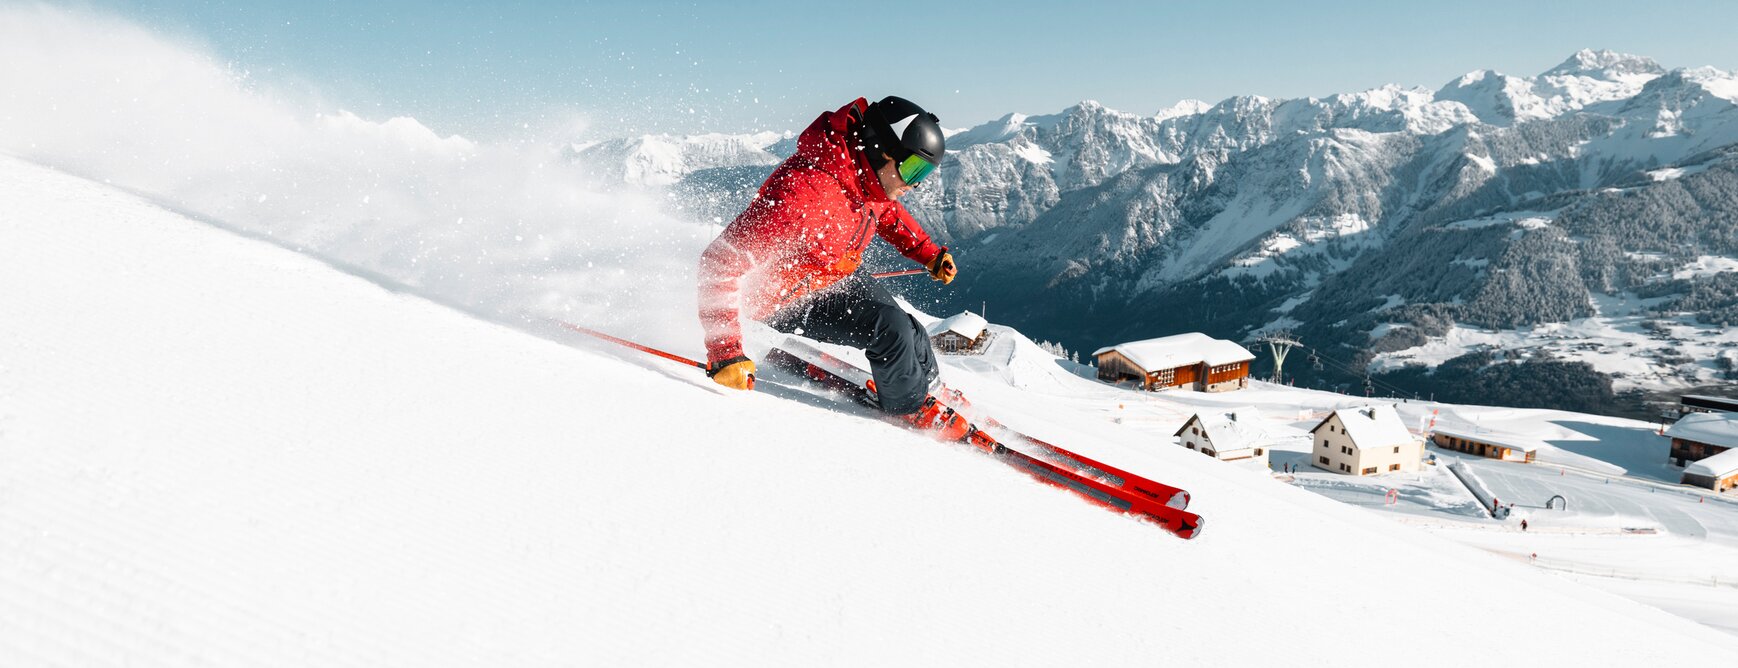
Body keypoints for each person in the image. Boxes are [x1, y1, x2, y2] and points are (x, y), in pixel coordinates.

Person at [697, 96, 956, 416]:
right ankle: (908, 407)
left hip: (831, 271)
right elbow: (718, 263)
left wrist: (928, 254)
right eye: (911, 169)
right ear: (880, 149)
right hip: (785, 300)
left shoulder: (867, 177)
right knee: (891, 330)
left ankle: (927, 385)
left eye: (922, 173)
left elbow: (887, 213)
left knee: (908, 327)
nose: (912, 184)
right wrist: (726, 353)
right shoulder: (803, 193)